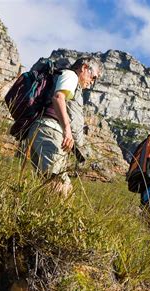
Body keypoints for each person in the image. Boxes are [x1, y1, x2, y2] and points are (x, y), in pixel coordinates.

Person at [26, 56, 103, 196]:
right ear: (85, 68)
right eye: (94, 78)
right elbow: (58, 97)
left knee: (57, 186)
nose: (92, 83)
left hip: (43, 131)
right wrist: (67, 130)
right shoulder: (71, 75)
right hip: (51, 131)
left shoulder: (64, 77)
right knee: (59, 185)